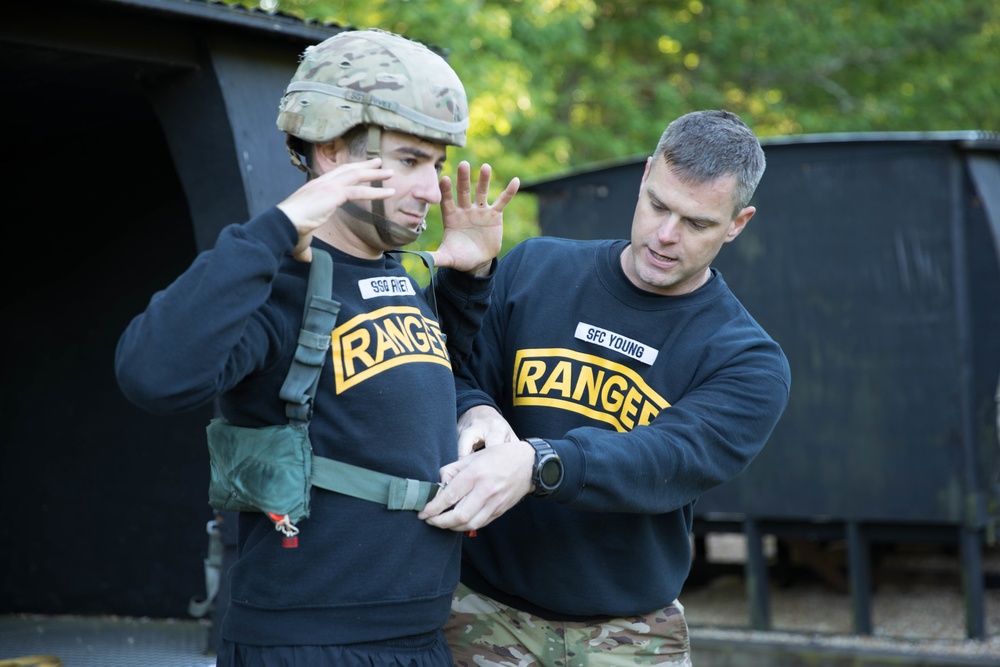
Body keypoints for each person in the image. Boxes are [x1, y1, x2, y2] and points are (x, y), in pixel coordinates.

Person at [115, 29, 519, 667]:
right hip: (309, 640)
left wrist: (467, 281)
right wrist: (276, 227)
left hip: (418, 634)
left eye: (436, 165)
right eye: (411, 161)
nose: (429, 188)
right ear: (332, 151)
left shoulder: (396, 273)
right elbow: (151, 374)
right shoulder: (276, 278)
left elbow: (423, 393)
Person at [418, 109, 791, 666]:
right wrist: (472, 409)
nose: (666, 235)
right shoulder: (533, 269)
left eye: (696, 223)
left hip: (633, 634)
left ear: (738, 223)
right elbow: (439, 366)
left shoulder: (748, 359)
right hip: (481, 609)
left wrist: (537, 463)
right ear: (644, 178)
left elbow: (667, 458)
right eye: (658, 206)